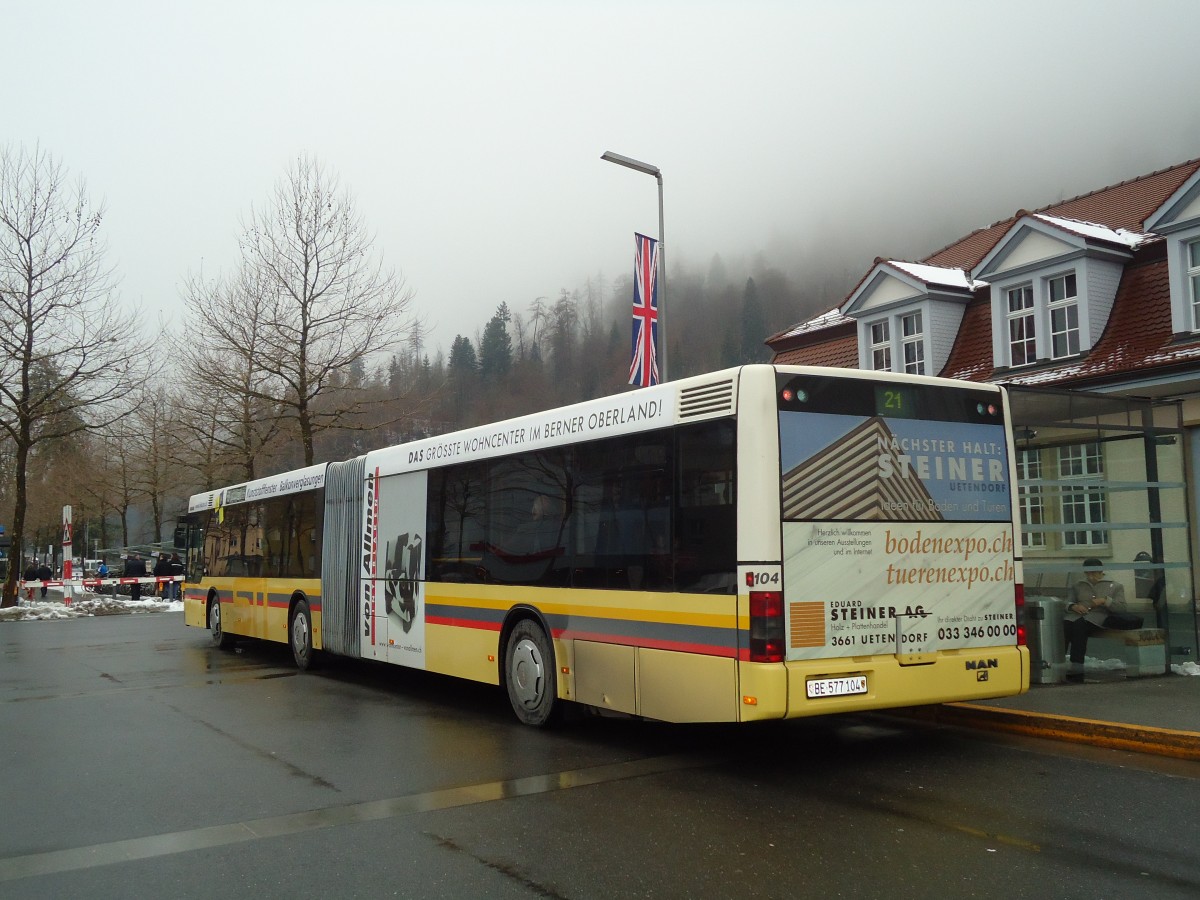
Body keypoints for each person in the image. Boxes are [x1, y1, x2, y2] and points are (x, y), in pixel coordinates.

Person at [1064, 558, 1128, 682]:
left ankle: (1077, 669)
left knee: (1079, 628)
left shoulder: (1115, 586)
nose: (1090, 576)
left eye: (1093, 573)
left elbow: (1122, 608)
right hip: (1076, 616)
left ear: (1101, 571)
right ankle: (1058, 664)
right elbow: (1067, 602)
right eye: (1087, 573)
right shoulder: (1078, 585)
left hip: (1098, 617)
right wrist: (1073, 606)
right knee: (1065, 626)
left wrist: (1105, 601)